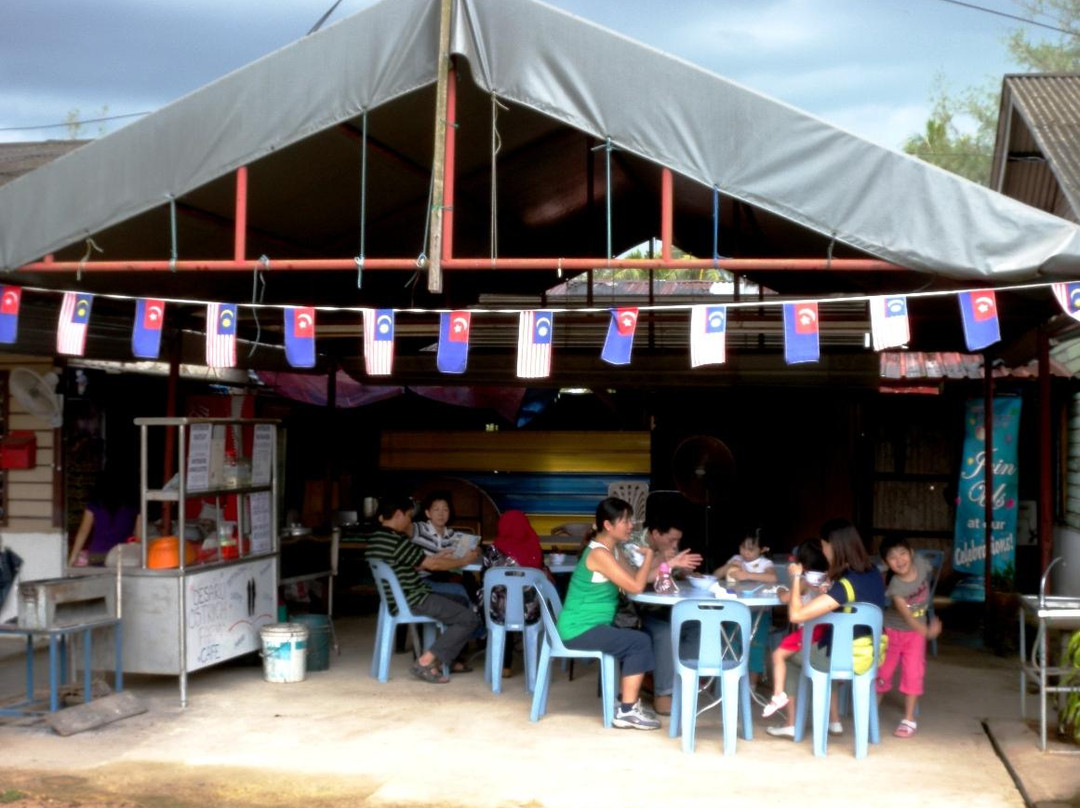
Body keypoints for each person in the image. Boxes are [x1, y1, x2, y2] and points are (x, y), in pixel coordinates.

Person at [766, 518, 887, 739]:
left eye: (823, 545)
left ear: (833, 545)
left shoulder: (846, 585)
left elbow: (796, 615)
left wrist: (794, 578)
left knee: (787, 656)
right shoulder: (873, 574)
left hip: (845, 656)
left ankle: (792, 723)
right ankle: (830, 721)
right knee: (806, 650)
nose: (823, 550)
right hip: (872, 652)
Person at [557, 497, 660, 730]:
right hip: (578, 628)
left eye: (630, 520)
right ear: (608, 525)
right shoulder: (599, 554)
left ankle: (626, 701)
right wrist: (650, 557)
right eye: (625, 521)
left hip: (593, 625)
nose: (631, 525)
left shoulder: (613, 551)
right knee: (639, 642)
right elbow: (636, 587)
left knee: (639, 635)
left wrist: (668, 563)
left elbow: (636, 579)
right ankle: (626, 711)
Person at [365, 493, 481, 684]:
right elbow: (432, 566)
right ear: (398, 515)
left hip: (399, 597)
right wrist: (463, 561)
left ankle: (447, 658)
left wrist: (437, 557)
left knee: (460, 600)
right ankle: (426, 661)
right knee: (469, 618)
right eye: (409, 516)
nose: (409, 521)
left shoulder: (377, 540)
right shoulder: (398, 542)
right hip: (414, 597)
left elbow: (417, 564)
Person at [631, 514, 702, 716]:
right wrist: (664, 560)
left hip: (664, 607)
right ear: (655, 534)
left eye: (678, 539)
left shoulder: (670, 546)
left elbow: (676, 574)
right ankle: (663, 693)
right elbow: (637, 579)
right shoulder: (633, 544)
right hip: (637, 609)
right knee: (664, 632)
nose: (675, 543)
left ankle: (685, 684)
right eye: (671, 539)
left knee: (694, 625)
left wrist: (688, 572)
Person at [876, 536, 943, 738]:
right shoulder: (896, 588)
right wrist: (928, 632)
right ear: (886, 563)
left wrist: (924, 627)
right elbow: (907, 618)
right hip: (893, 632)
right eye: (892, 558)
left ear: (912, 553)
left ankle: (908, 719)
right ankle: (870, 712)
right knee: (883, 674)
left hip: (914, 635)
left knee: (913, 673)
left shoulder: (922, 565)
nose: (900, 560)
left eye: (903, 553)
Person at [761, 539, 830, 723]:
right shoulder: (829, 579)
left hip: (811, 632)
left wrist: (791, 582)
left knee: (778, 656)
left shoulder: (805, 582)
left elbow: (785, 598)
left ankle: (778, 694)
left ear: (802, 564)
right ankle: (835, 721)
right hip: (828, 635)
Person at [479, 509, 551, 678]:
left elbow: (484, 577)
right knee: (521, 600)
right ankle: (534, 662)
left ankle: (504, 664)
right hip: (531, 613)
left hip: (496, 613)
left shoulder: (493, 550)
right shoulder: (534, 548)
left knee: (496, 599)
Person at [713, 531, 777, 684]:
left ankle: (752, 685)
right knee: (731, 643)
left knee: (756, 646)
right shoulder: (735, 559)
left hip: (758, 612)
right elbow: (716, 575)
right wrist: (729, 566)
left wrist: (748, 575)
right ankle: (730, 681)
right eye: (743, 548)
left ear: (762, 549)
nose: (746, 553)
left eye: (751, 549)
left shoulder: (765, 564)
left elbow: (773, 578)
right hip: (735, 610)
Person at [411, 490, 480, 606]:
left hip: (440, 578)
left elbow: (476, 547)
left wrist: (475, 549)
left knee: (469, 585)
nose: (441, 514)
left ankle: (471, 615)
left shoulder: (452, 535)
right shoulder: (419, 529)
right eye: (436, 509)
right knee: (460, 590)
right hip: (420, 580)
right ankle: (470, 618)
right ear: (428, 513)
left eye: (445, 509)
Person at [68, 474, 141, 566]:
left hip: (96, 555)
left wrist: (73, 557)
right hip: (121, 556)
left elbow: (84, 530)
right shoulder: (134, 505)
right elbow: (139, 537)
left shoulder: (95, 503)